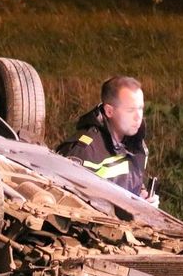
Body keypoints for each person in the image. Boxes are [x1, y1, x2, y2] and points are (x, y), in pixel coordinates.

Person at [56, 76, 159, 206]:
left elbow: (131, 181)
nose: (138, 117)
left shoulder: (137, 144)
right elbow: (66, 205)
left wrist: (142, 196)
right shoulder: (84, 151)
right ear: (109, 111)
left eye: (140, 108)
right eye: (130, 110)